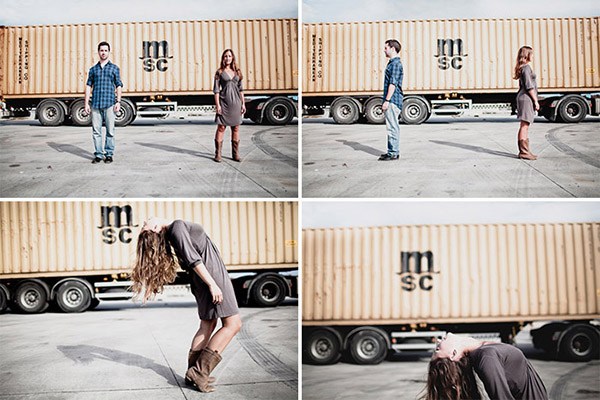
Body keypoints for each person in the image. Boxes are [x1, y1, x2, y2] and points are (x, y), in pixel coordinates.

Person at [131, 218, 242, 393]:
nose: (144, 221)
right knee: (233, 324)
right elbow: (193, 259)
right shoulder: (177, 227)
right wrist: (213, 284)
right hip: (211, 276)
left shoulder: (173, 233)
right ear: (154, 229)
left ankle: (193, 372)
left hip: (204, 277)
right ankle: (199, 372)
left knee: (208, 324)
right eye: (144, 225)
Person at [423, 333, 548, 400]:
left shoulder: (482, 351)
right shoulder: (486, 358)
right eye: (438, 348)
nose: (438, 341)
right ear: (453, 354)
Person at [84, 41, 123, 164]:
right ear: (98, 52)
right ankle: (99, 155)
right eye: (101, 50)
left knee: (110, 131)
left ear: (109, 52)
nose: (103, 52)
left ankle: (109, 154)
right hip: (95, 104)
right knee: (96, 131)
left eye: (106, 50)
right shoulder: (93, 70)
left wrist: (118, 102)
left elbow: (119, 85)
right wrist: (86, 103)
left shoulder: (114, 68)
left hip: (110, 104)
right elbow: (88, 86)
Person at [213, 49, 246, 163]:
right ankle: (218, 154)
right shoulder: (219, 72)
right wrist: (218, 105)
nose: (227, 58)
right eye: (225, 56)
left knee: (236, 128)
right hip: (224, 103)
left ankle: (235, 154)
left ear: (233, 58)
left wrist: (243, 104)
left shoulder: (238, 72)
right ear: (223, 58)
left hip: (236, 103)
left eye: (229, 56)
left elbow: (241, 90)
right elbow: (216, 91)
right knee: (221, 127)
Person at [378, 39, 404, 161]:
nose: (384, 50)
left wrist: (387, 100)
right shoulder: (392, 63)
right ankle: (391, 151)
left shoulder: (395, 64)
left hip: (393, 100)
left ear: (392, 48)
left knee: (392, 127)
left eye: (386, 48)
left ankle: (393, 153)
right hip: (393, 100)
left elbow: (392, 84)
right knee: (392, 126)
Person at [513, 46, 539, 160]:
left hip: (524, 97)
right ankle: (524, 152)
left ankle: (526, 150)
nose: (533, 56)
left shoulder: (522, 67)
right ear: (527, 55)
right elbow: (529, 86)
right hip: (527, 98)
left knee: (525, 125)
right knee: (524, 125)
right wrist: (535, 101)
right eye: (531, 54)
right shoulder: (526, 68)